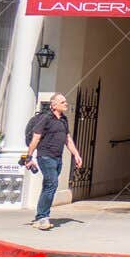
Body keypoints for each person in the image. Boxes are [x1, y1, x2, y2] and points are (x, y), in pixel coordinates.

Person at [25, 93, 82, 230]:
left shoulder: (63, 120)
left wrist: (76, 154)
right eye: (63, 102)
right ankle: (42, 217)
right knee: (52, 184)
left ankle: (40, 216)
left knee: (48, 186)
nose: (66, 104)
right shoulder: (45, 118)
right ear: (54, 105)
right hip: (45, 157)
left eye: (65, 102)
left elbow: (68, 139)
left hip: (58, 158)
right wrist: (28, 157)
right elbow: (36, 138)